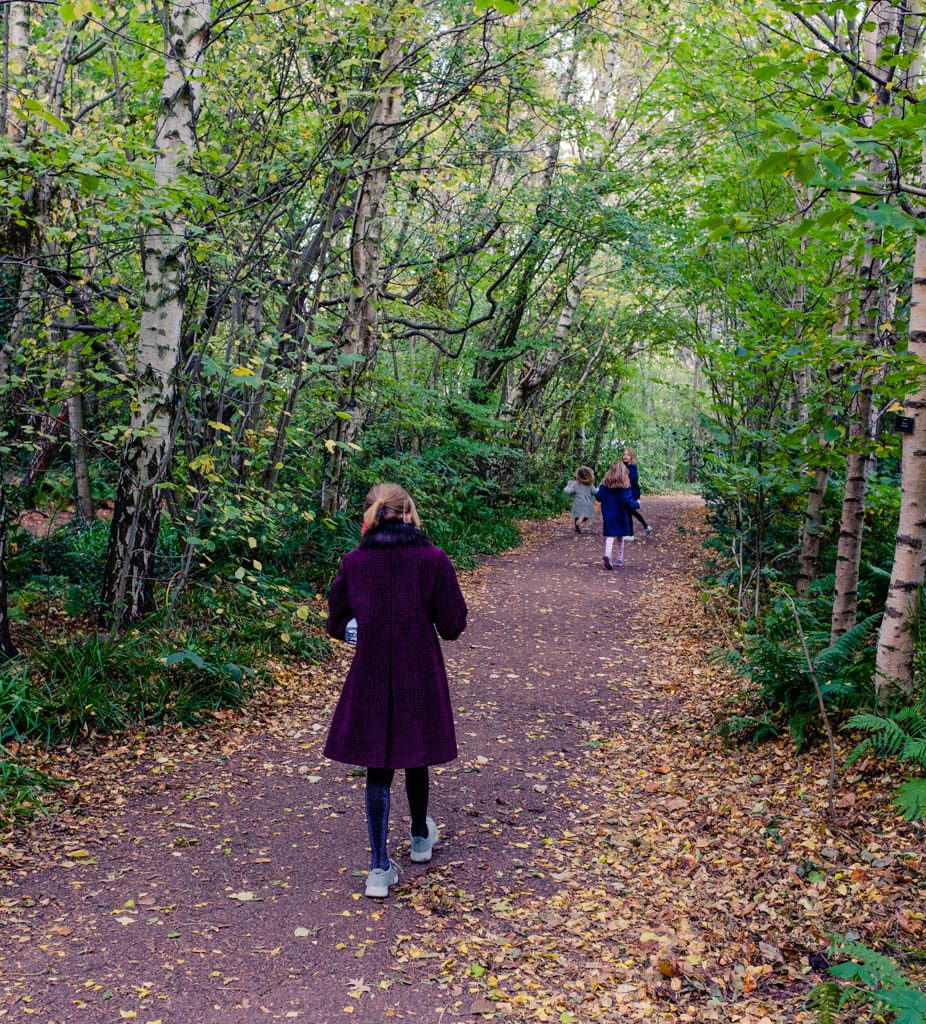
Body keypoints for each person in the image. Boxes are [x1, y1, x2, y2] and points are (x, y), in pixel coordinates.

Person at [324, 483, 468, 898]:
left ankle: (377, 868)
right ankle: (420, 837)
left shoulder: (355, 562)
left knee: (377, 765)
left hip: (371, 670)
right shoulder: (433, 560)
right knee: (415, 750)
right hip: (417, 667)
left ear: (371, 515)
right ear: (409, 514)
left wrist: (355, 627)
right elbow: (453, 624)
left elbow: (337, 620)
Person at [595, 461, 640, 570]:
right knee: (620, 537)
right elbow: (627, 501)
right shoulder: (625, 487)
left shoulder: (604, 486)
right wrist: (637, 504)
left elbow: (598, 497)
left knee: (610, 536)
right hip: (621, 514)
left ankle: (608, 554)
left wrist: (599, 487)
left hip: (608, 514)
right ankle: (619, 558)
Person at [622, 448, 653, 538]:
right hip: (627, 491)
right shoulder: (623, 466)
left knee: (628, 511)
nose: (625, 456)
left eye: (627, 455)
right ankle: (646, 526)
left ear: (632, 457)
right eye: (624, 454)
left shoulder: (631, 466)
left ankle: (630, 535)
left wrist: (625, 481)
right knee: (630, 511)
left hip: (632, 492)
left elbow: (634, 479)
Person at [564, 466, 596, 533]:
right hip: (588, 503)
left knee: (577, 516)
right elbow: (594, 492)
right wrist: (599, 489)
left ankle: (577, 528)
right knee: (586, 515)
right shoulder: (590, 485)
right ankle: (582, 518)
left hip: (578, 503)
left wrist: (568, 486)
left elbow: (569, 491)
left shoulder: (575, 484)